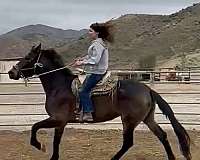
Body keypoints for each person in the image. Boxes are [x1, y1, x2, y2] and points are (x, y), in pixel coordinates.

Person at [72, 22, 114, 122]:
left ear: (97, 33)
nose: (89, 33)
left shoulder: (97, 45)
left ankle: (88, 113)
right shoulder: (98, 43)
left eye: (91, 31)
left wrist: (80, 64)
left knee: (83, 91)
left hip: (97, 73)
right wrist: (82, 59)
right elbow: (91, 57)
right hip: (98, 71)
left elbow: (95, 60)